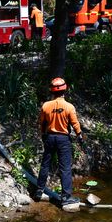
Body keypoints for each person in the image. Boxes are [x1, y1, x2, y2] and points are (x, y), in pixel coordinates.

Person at [35, 77, 83, 207]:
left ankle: (39, 191)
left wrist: (43, 135)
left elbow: (42, 123)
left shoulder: (46, 106)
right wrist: (80, 136)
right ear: (65, 90)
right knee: (65, 168)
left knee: (45, 164)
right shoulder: (69, 107)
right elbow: (75, 124)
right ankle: (66, 197)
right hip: (63, 140)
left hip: (50, 137)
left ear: (52, 91)